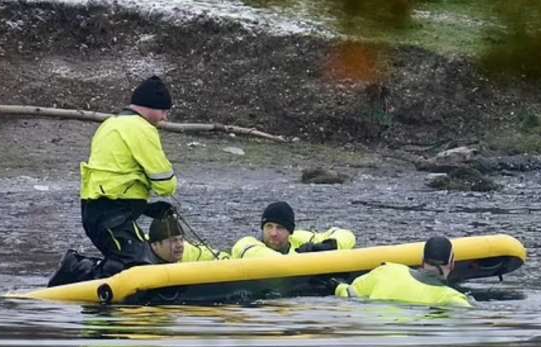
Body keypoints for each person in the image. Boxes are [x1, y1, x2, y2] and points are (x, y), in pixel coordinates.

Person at [79, 75, 178, 279]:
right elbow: (164, 182)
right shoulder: (141, 128)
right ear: (150, 106)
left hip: (99, 210)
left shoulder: (110, 124)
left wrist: (146, 209)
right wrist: (168, 188)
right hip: (110, 215)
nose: (164, 118)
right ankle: (77, 275)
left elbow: (116, 179)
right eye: (163, 111)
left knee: (129, 260)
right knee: (135, 265)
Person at [47, 210, 227, 287]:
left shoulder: (186, 251)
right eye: (172, 241)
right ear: (156, 245)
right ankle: (77, 265)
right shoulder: (141, 262)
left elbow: (220, 258)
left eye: (180, 240)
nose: (179, 245)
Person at [333, 236, 472, 308]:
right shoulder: (452, 299)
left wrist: (338, 286)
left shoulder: (387, 271)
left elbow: (347, 293)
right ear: (452, 264)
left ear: (422, 261)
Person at [231, 201, 356, 258]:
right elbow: (269, 260)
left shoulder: (298, 238)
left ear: (290, 232)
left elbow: (346, 235)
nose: (273, 233)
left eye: (280, 228)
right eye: (269, 226)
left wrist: (328, 246)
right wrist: (302, 258)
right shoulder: (247, 244)